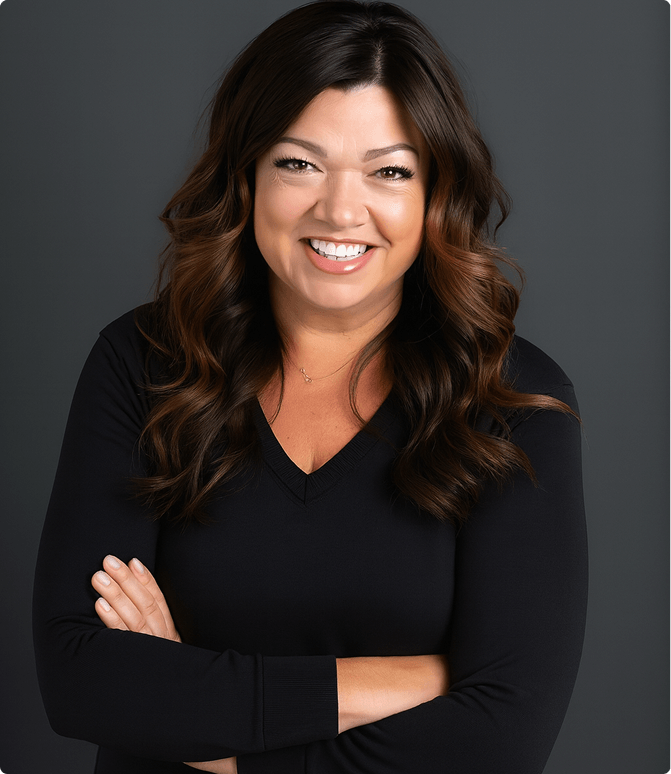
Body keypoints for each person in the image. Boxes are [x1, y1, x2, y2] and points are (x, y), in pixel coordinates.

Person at [32, 2, 587, 772]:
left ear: (434, 194)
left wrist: (211, 741)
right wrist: (402, 683)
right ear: (246, 176)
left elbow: (501, 739)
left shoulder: (513, 403)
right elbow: (81, 681)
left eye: (389, 171)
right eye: (299, 163)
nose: (340, 210)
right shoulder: (144, 363)